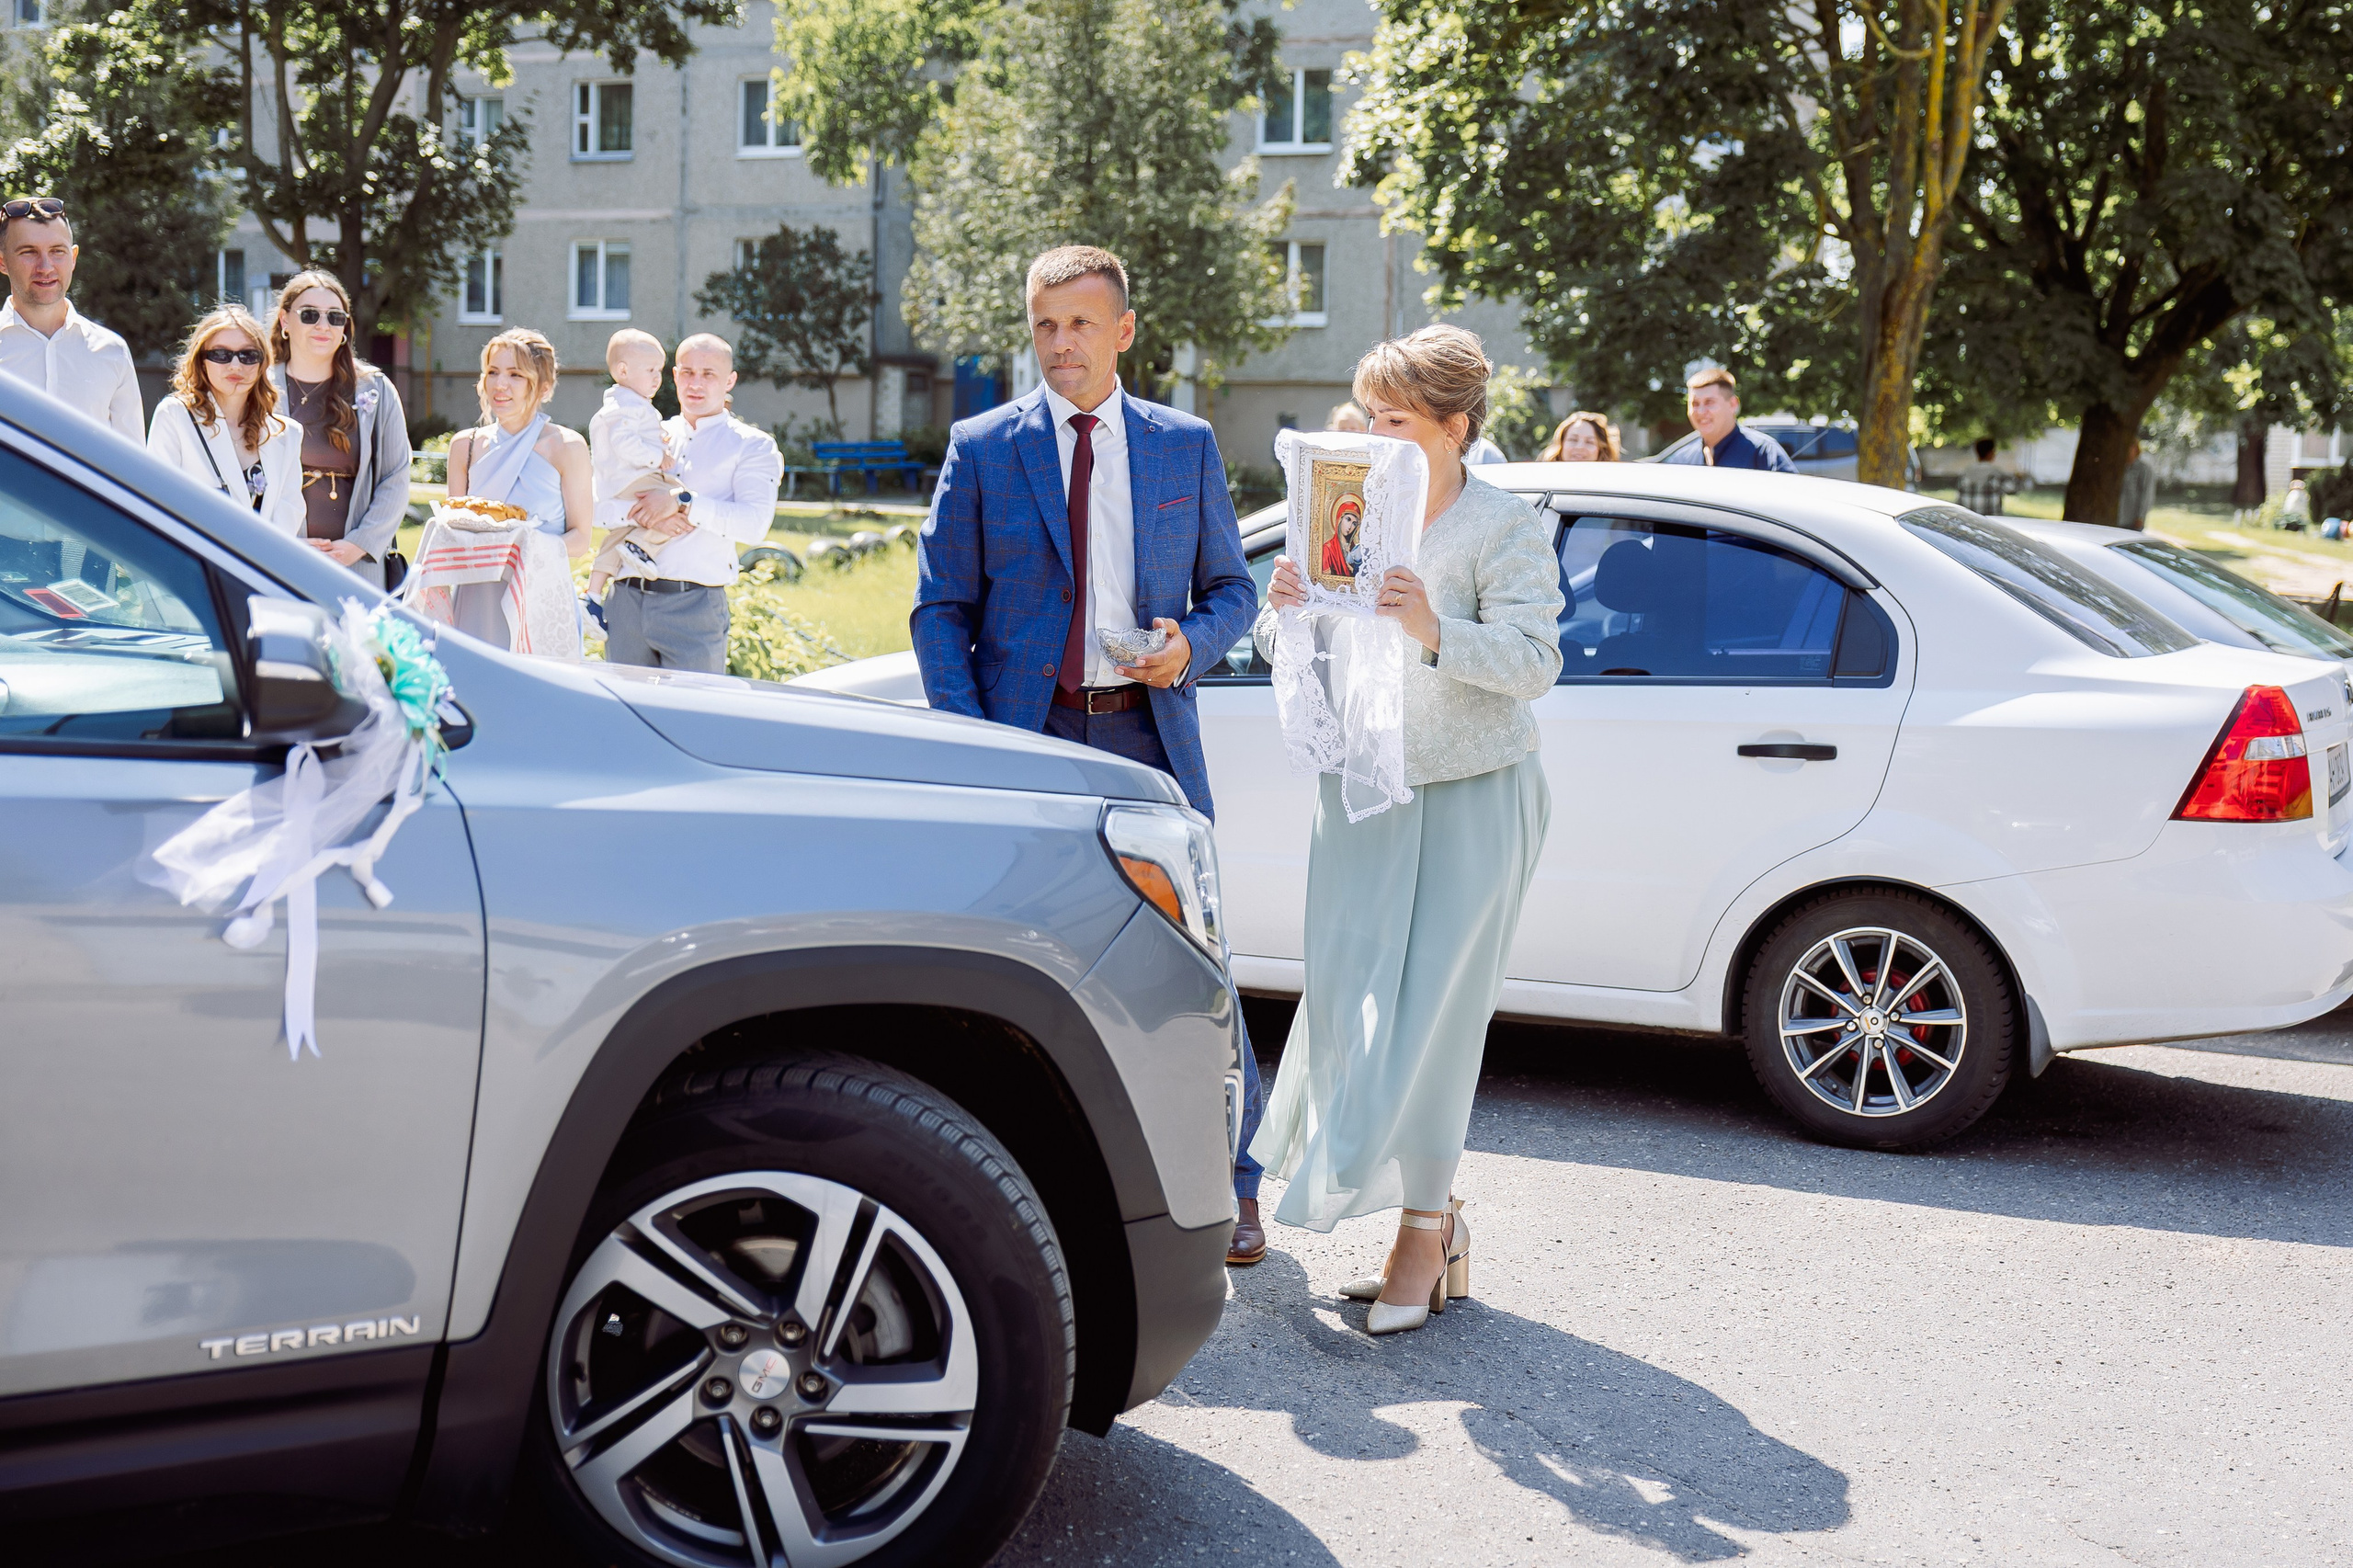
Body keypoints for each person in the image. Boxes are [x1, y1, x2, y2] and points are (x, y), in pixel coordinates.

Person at [912, 244, 1267, 1260]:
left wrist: (1190, 647)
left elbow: (1230, 589)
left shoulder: (1181, 444)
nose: (1059, 344)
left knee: (1195, 966)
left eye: (1079, 324)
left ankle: (1236, 1178)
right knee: (1017, 962)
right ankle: (1018, 1188)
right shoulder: (983, 446)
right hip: (1025, 741)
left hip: (1144, 738)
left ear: (1122, 330)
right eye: (1043, 325)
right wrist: (980, 741)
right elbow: (940, 607)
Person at [1252, 324, 1563, 1335]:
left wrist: (1433, 628)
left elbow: (1533, 663)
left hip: (1474, 792)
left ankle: (1423, 1232)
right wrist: (1285, 608)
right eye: (1367, 415)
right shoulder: (1337, 508)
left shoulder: (1502, 525)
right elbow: (1288, 644)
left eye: (1394, 419)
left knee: (1434, 1020)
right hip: (1356, 789)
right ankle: (1407, 1209)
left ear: (1451, 428)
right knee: (1347, 1006)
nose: (1372, 433)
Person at [597, 333, 783, 672]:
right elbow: (599, 508)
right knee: (624, 719)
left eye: (708, 374)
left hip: (694, 606)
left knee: (694, 720)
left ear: (730, 380)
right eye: (687, 372)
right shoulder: (644, 433)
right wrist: (648, 515)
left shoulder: (753, 446)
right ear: (674, 376)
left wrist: (683, 502)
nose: (695, 383)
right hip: (625, 600)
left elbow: (754, 526)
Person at [438, 328, 595, 653]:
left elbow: (580, 539)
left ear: (544, 386)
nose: (500, 384)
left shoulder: (567, 447)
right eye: (492, 372)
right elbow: (452, 530)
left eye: (515, 374)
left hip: (540, 596)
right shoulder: (463, 447)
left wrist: (524, 551)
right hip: (476, 597)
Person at [268, 271, 412, 587]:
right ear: (285, 320)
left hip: (358, 568)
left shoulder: (376, 389)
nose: (323, 326)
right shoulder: (261, 390)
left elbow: (396, 476)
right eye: (309, 315)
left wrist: (359, 544)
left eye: (335, 317)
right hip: (281, 563)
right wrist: (283, 543)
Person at [146, 304, 304, 536]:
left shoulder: (287, 433)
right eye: (221, 354)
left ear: (262, 364)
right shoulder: (175, 416)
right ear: (201, 361)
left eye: (248, 355)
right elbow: (158, 502)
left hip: (260, 568)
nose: (236, 365)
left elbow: (290, 515)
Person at [0, 197, 142, 440]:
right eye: (28, 252)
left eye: (57, 251)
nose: (45, 267)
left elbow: (134, 466)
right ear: (2, 261)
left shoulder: (112, 352)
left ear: (73, 257)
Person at [586, 328, 681, 595]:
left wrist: (656, 436)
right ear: (623, 371)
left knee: (616, 536)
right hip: (636, 479)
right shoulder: (629, 405)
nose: (657, 378)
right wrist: (657, 456)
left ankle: (592, 595)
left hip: (618, 484)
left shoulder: (620, 406)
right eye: (650, 370)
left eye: (659, 370)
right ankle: (641, 544)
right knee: (681, 497)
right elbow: (624, 442)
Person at [1665, 367, 1795, 472]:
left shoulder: (1763, 454)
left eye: (1709, 402)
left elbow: (1790, 498)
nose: (1700, 411)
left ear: (1733, 404)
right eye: (1695, 404)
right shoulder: (1681, 461)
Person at [1955, 437, 2024, 516]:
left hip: (1969, 522)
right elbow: (2012, 490)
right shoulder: (1995, 474)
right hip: (1990, 522)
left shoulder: (1965, 473)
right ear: (1990, 453)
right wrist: (2018, 478)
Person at [1540, 410, 1620, 462]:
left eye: (1589, 442)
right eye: (1573, 440)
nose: (1580, 447)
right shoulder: (1541, 480)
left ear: (1601, 449)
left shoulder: (1611, 484)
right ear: (1562, 443)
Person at [2117, 440, 2156, 531]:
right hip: (2117, 518)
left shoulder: (2144, 469)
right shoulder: (2120, 468)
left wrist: (2140, 517)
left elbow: (2147, 495)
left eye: (2130, 447)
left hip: (2132, 520)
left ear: (2136, 449)